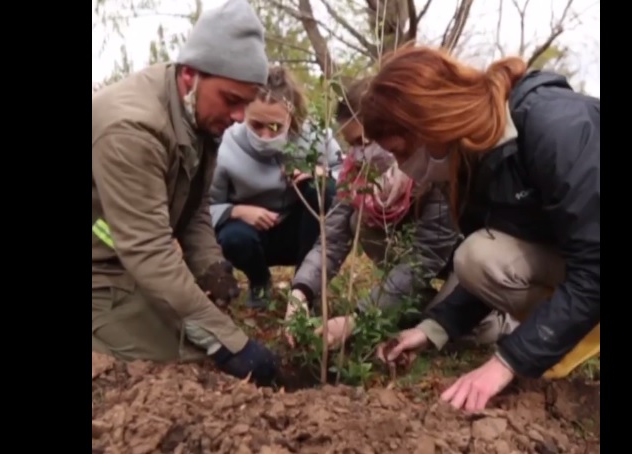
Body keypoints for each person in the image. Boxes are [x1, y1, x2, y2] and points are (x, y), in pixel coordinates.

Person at [359, 45, 600, 412]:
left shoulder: (554, 126)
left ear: (431, 122)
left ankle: (574, 336)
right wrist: (432, 330)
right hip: (581, 260)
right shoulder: (473, 162)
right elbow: (494, 265)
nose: (401, 166)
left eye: (399, 150)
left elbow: (595, 265)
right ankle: (567, 335)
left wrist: (507, 362)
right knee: (477, 257)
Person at [91, 0, 279, 386]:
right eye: (232, 100)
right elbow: (149, 250)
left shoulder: (196, 116)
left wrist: (211, 266)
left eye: (247, 102)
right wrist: (231, 344)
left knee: (197, 341)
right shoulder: (133, 130)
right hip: (105, 266)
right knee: (184, 366)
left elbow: (193, 210)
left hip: (128, 260)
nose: (240, 117)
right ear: (190, 74)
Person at [285, 78, 517, 349]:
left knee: (453, 334)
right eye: (352, 144)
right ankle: (414, 301)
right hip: (415, 260)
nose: (359, 153)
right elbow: (332, 238)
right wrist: (300, 292)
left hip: (463, 260)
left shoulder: (432, 169)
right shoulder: (355, 175)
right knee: (355, 220)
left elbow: (427, 255)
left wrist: (358, 317)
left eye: (366, 141)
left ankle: (496, 319)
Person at [210, 66, 341, 308]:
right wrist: (236, 211)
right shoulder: (224, 145)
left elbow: (348, 175)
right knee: (233, 237)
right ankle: (259, 282)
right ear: (243, 113)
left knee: (324, 188)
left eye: (274, 127)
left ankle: (305, 288)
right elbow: (206, 208)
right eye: (256, 125)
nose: (265, 136)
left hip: (301, 232)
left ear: (291, 115)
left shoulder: (314, 136)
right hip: (252, 237)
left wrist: (323, 173)